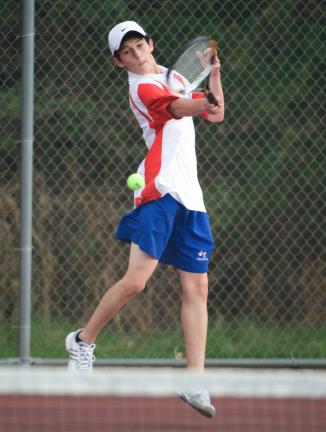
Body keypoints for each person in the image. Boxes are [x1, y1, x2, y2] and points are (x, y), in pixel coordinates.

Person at [66, 21, 224, 418]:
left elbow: (215, 116)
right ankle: (83, 342)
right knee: (136, 282)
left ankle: (194, 381)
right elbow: (176, 108)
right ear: (118, 62)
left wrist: (214, 79)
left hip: (191, 198)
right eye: (128, 53)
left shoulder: (177, 76)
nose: (137, 55)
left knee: (198, 289)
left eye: (140, 46)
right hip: (158, 192)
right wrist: (203, 98)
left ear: (152, 44)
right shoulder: (142, 89)